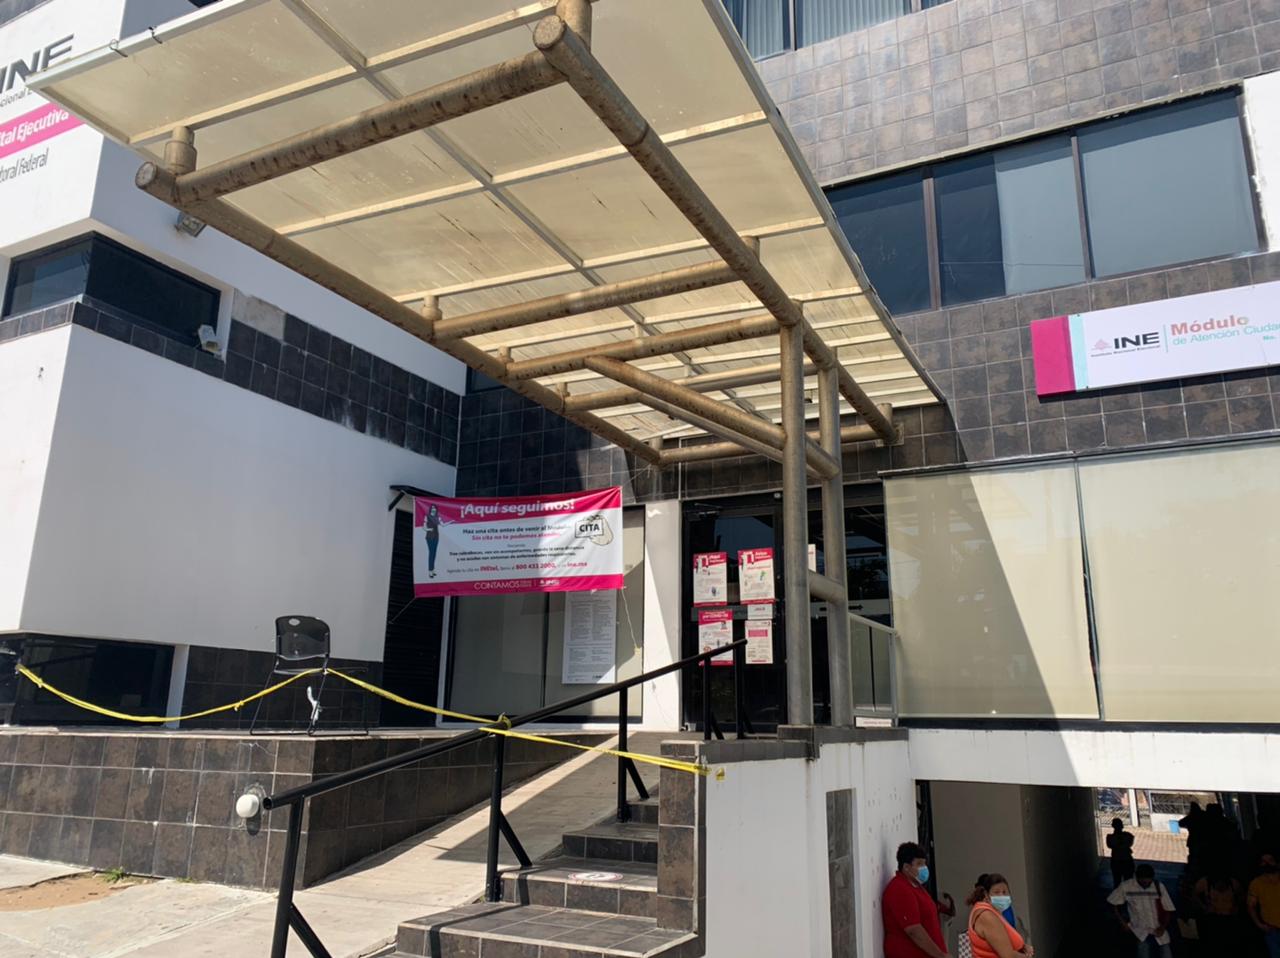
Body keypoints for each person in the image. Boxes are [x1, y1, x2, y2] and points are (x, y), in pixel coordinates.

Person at [883, 841, 955, 958]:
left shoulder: (917, 887)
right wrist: (940, 955)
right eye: (919, 864)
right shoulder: (899, 889)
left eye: (924, 864)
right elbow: (914, 930)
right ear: (906, 867)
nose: (924, 868)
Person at [1108, 863, 1176, 958]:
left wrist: (1163, 927)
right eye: (1143, 882)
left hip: (1158, 928)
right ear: (1137, 877)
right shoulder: (1126, 886)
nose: (1146, 884)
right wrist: (1123, 923)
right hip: (1139, 930)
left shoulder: (1158, 887)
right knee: (1144, 953)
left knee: (1166, 954)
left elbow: (1168, 909)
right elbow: (1113, 903)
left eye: (1149, 881)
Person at [965, 873, 1033, 958]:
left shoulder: (994, 912)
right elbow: (1008, 955)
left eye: (1005, 892)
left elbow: (1002, 941)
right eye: (996, 892)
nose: (1002, 896)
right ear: (986, 895)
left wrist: (1022, 947)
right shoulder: (987, 916)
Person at [1194, 865, 1243, 953]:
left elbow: (1242, 895)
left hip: (1229, 919)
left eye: (1223, 886)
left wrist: (1236, 907)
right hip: (1212, 919)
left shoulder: (1233, 883)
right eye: (1218, 886)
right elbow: (1194, 894)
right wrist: (1203, 907)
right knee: (1213, 944)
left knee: (1230, 945)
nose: (1220, 888)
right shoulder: (1205, 882)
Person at [1248, 852, 1280, 958]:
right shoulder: (1256, 883)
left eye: (1270, 860)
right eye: (1263, 861)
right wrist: (1259, 925)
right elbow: (1251, 906)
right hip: (1272, 930)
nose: (1267, 864)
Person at [1107, 818, 1137, 888]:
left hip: (1116, 860)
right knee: (1128, 881)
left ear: (1112, 826)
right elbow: (1130, 843)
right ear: (1122, 826)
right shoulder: (1128, 835)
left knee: (1117, 881)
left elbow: (1109, 845)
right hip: (1127, 859)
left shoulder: (1110, 837)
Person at [423, 504, 440, 578]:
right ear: (430, 509)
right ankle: (430, 571)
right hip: (430, 537)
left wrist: (451, 522)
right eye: (432, 508)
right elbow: (424, 527)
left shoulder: (437, 517)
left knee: (434, 553)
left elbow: (443, 525)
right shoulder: (427, 516)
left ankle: (433, 569)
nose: (433, 509)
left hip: (436, 537)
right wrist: (429, 529)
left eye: (435, 508)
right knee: (431, 553)